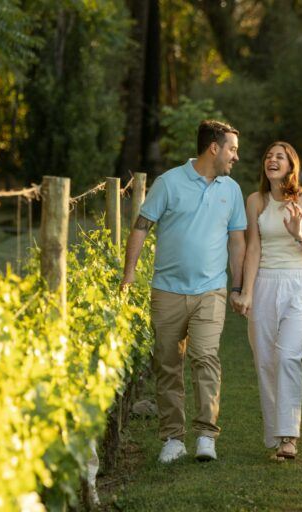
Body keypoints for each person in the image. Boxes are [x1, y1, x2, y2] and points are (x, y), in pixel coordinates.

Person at [120, 120, 247, 463]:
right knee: (168, 364)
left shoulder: (231, 189)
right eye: (232, 148)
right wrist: (129, 274)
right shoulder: (169, 183)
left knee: (205, 357)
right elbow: (141, 226)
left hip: (211, 291)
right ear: (214, 148)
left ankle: (206, 435)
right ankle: (173, 438)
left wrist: (237, 287)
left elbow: (237, 241)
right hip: (167, 291)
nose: (236, 156)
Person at [233, 141, 302, 460]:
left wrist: (299, 234)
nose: (272, 160)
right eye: (269, 156)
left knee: (287, 357)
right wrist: (246, 291)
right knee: (265, 362)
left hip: (299, 283)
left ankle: (289, 436)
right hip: (264, 284)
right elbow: (253, 249)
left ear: (291, 165)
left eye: (280, 157)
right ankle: (276, 434)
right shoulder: (256, 200)